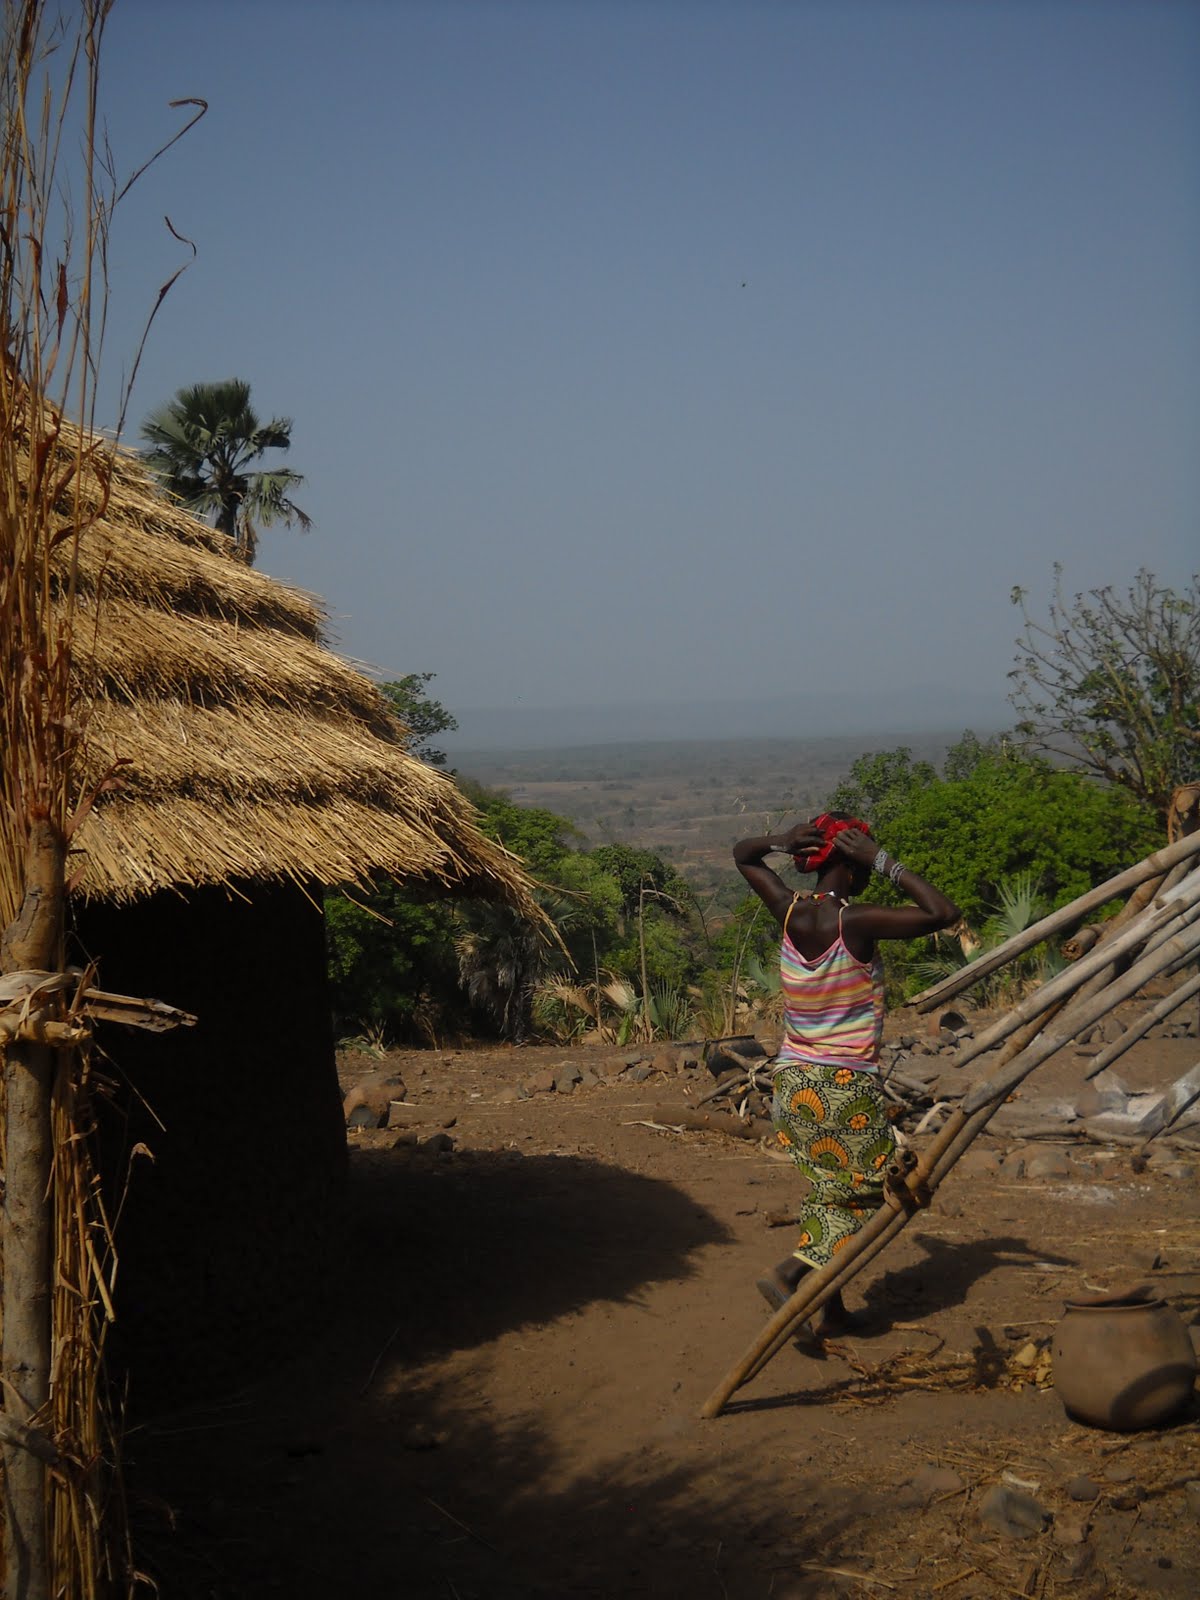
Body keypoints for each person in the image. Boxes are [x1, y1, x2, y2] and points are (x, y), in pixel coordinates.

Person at [732, 812, 959, 1337]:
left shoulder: (789, 910)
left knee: (833, 1191)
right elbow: (944, 912)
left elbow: (743, 854)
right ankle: (790, 1274)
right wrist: (884, 861)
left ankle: (831, 1310)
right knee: (874, 1192)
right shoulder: (855, 921)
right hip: (842, 1087)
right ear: (855, 868)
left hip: (792, 1084)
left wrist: (780, 841)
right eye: (864, 864)